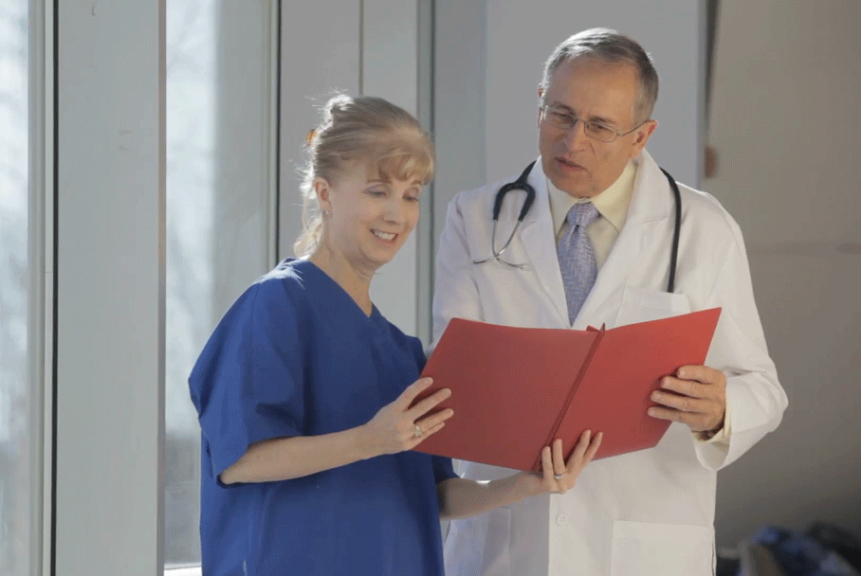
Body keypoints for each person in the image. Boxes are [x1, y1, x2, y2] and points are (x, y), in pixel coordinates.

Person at [188, 94, 603, 576]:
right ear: (324, 193)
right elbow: (242, 459)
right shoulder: (276, 305)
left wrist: (526, 484)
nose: (396, 214)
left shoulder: (400, 351)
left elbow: (435, 494)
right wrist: (370, 439)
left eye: (411, 195)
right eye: (377, 190)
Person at [434, 29, 788, 576]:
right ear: (539, 105)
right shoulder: (476, 219)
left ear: (641, 136)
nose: (572, 141)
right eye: (560, 114)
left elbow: (762, 388)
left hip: (642, 547)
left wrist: (720, 411)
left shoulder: (702, 229)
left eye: (599, 126)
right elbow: (457, 376)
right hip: (506, 546)